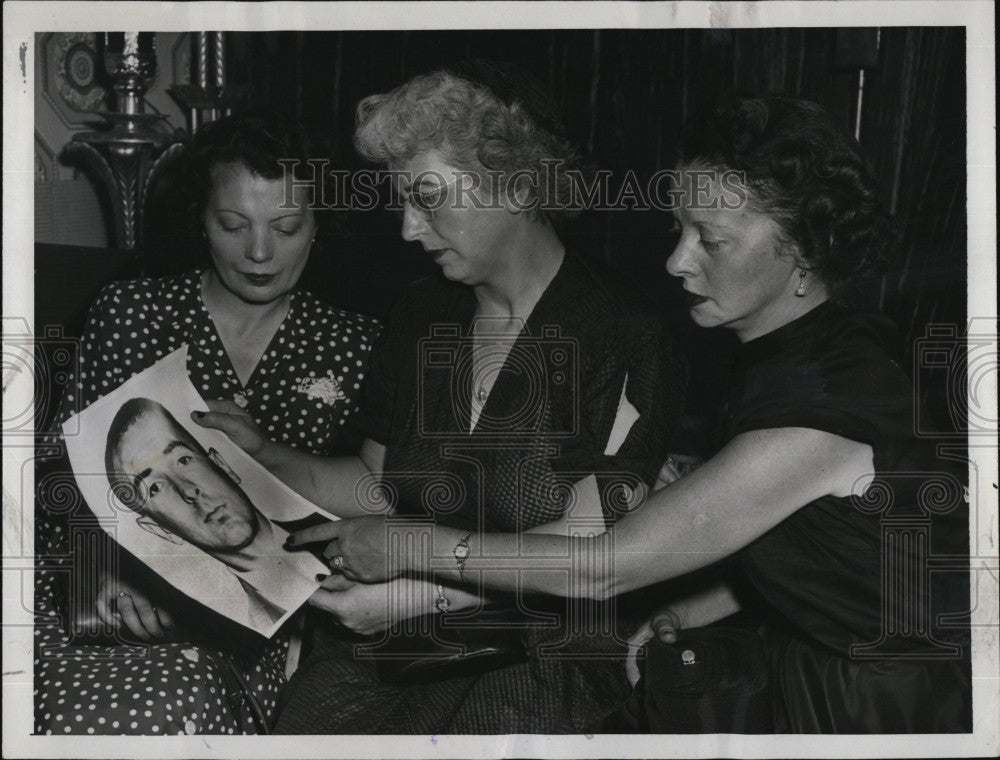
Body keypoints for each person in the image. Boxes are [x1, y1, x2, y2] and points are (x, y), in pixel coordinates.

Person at [299, 94, 972, 733]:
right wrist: (698, 605)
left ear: (799, 249)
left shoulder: (819, 409)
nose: (677, 261)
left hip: (889, 701)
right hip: (825, 657)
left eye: (711, 239)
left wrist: (412, 547)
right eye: (676, 229)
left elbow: (599, 568)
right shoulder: (799, 351)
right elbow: (825, 547)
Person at [196, 61, 685, 733]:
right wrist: (262, 456)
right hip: (388, 649)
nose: (407, 229)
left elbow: (582, 561)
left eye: (429, 199)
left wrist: (419, 591)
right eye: (402, 201)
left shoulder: (624, 334)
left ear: (516, 184)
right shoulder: (424, 312)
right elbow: (376, 483)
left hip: (535, 656)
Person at [33, 108, 380, 735]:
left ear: (319, 225)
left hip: (257, 622)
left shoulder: (356, 344)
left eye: (287, 226)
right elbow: (56, 472)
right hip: (98, 590)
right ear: (201, 218)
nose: (258, 252)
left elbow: (373, 498)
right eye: (232, 224)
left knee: (171, 703)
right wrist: (97, 573)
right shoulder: (133, 309)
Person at [104, 397, 327, 631]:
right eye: (155, 488)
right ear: (159, 529)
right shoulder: (247, 624)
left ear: (222, 464)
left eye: (184, 460)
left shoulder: (332, 520)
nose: (188, 490)